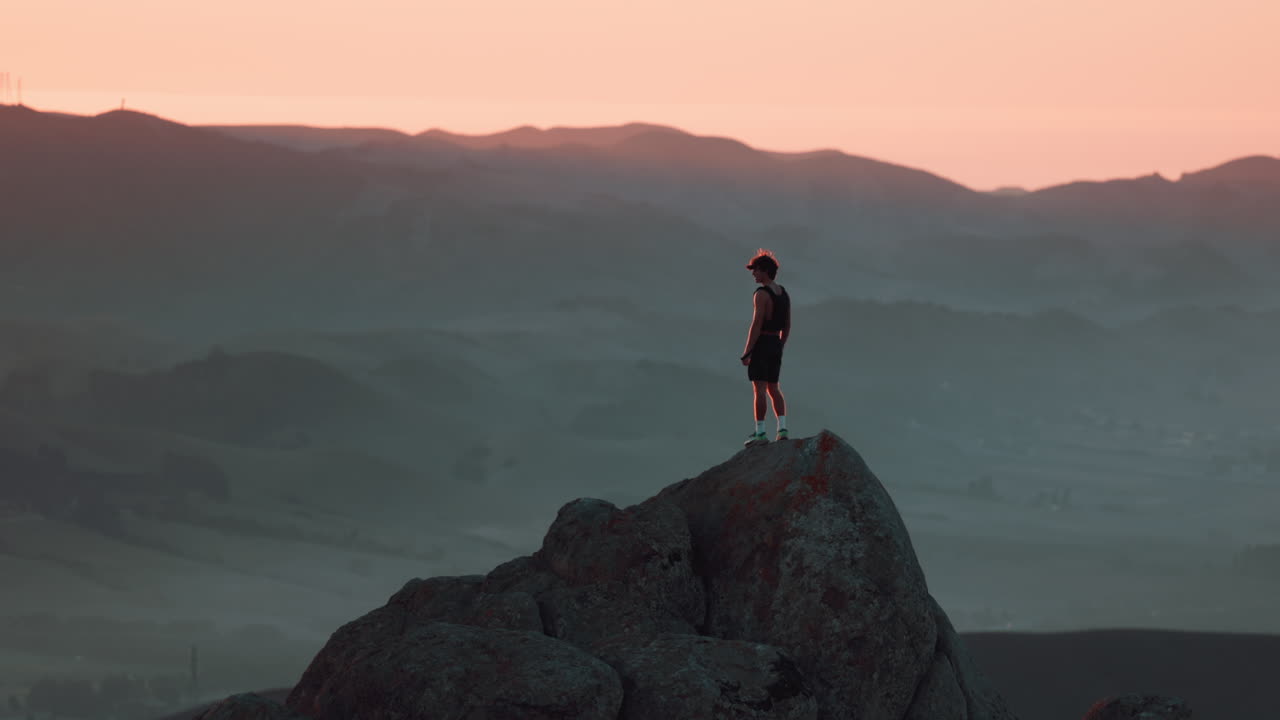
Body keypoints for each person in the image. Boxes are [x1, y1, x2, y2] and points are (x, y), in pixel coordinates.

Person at [740, 249, 790, 447]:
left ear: (765, 271)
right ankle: (782, 429)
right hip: (776, 343)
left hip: (762, 343)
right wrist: (780, 345)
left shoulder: (761, 294)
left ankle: (760, 433)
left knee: (759, 389)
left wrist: (748, 351)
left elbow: (756, 324)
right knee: (774, 388)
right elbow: (787, 325)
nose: (753, 274)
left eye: (756, 270)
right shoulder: (783, 293)